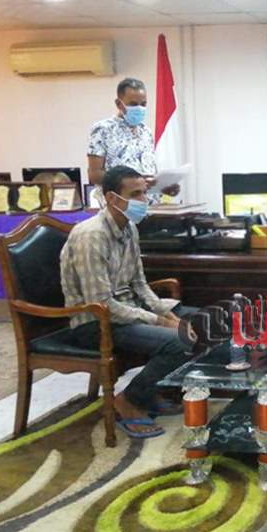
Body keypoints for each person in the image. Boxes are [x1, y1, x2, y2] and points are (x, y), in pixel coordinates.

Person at [60, 165, 196, 439]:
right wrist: (161, 322)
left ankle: (149, 392)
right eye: (135, 195)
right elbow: (102, 304)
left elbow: (140, 285)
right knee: (180, 340)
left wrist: (168, 315)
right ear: (112, 198)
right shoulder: (91, 236)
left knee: (202, 321)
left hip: (127, 311)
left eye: (144, 193)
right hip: (94, 322)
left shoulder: (129, 228)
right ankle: (128, 401)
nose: (144, 201)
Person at [86, 77, 180, 197]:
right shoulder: (103, 129)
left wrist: (162, 186)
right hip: (120, 204)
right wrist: (134, 182)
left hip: (150, 204)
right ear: (119, 104)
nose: (139, 108)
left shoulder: (146, 132)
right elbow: (94, 174)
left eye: (143, 104)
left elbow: (149, 174)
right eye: (133, 104)